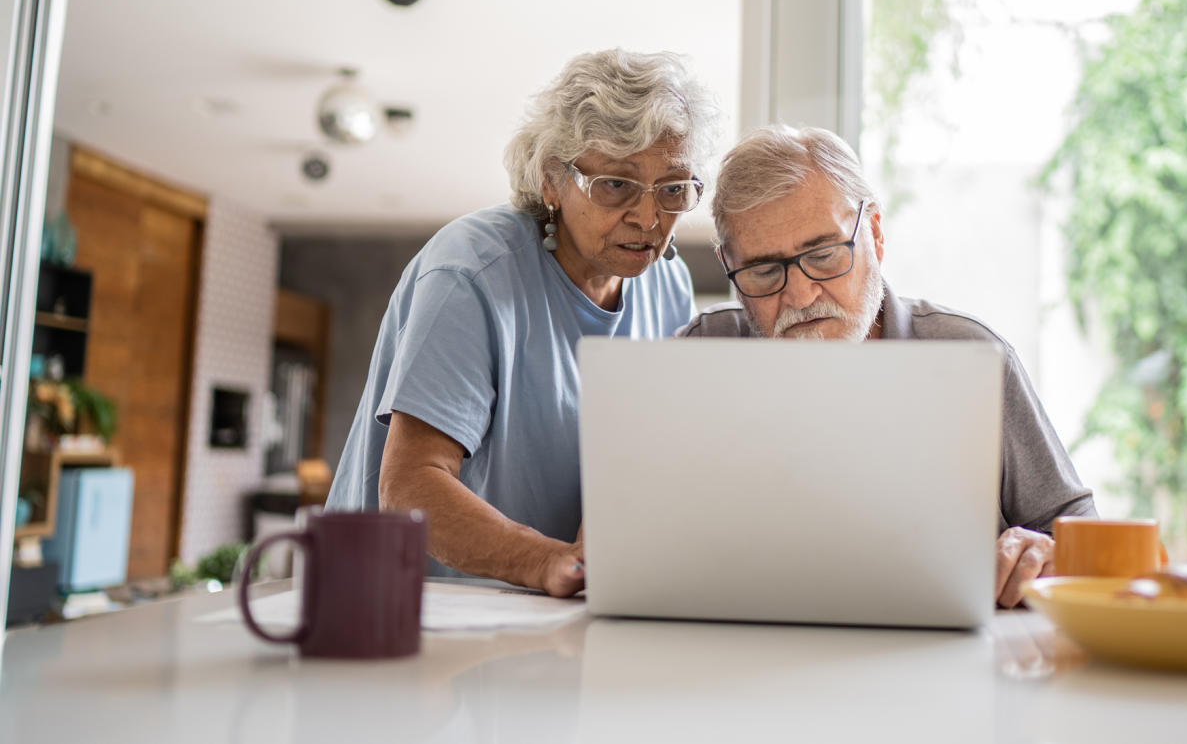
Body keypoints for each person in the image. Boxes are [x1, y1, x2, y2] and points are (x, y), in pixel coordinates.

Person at [328, 49, 721, 596]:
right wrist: (546, 562)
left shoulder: (668, 284)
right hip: (403, 605)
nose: (649, 217)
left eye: (674, 188)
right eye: (615, 184)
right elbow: (412, 487)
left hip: (550, 609)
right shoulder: (471, 273)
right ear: (551, 181)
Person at [678, 125, 1096, 607]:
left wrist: (1048, 553)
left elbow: (1081, 533)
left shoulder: (969, 356)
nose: (800, 295)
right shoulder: (701, 355)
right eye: (763, 271)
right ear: (728, 265)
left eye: (823, 254)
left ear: (874, 233)